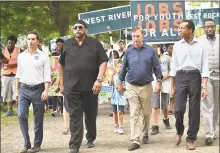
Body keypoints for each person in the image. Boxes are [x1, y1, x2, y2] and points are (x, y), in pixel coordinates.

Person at [59, 20, 108, 153]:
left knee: (90, 116)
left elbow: (103, 62)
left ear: (85, 29)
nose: (77, 29)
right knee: (75, 116)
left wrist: (99, 80)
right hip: (72, 88)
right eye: (75, 27)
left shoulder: (95, 44)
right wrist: (61, 84)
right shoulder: (67, 44)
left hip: (91, 88)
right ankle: (74, 146)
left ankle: (90, 137)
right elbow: (61, 65)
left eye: (80, 27)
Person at [118, 27, 163, 151]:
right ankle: (135, 139)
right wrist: (120, 82)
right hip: (131, 86)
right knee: (134, 113)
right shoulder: (128, 51)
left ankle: (145, 133)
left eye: (138, 36)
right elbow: (123, 68)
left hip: (146, 86)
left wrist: (159, 81)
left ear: (143, 36)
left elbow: (157, 67)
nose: (135, 39)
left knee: (145, 113)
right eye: (133, 36)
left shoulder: (150, 51)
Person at [170, 20, 209, 150]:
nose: (179, 30)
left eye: (182, 28)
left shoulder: (201, 45)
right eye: (179, 28)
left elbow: (205, 66)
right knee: (178, 109)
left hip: (195, 77)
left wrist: (204, 87)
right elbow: (173, 67)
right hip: (180, 76)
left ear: (190, 30)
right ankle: (179, 131)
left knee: (194, 109)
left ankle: (191, 138)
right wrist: (172, 86)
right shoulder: (177, 46)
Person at [16, 31, 51, 153]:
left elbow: (47, 75)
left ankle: (37, 144)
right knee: (21, 115)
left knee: (38, 118)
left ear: (37, 41)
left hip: (38, 90)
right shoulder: (21, 56)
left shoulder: (43, 56)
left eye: (33, 39)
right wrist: (17, 91)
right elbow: (18, 74)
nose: (30, 41)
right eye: (28, 39)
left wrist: (46, 91)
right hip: (24, 90)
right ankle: (26, 143)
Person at [199, 18, 219, 145]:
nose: (209, 29)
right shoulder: (199, 41)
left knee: (216, 106)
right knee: (207, 106)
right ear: (204, 28)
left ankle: (213, 130)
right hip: (206, 77)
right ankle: (209, 134)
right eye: (207, 27)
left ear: (215, 26)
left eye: (211, 26)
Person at [151, 45, 171, 135]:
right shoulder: (150, 57)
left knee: (164, 105)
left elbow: (171, 71)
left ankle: (166, 119)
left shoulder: (167, 58)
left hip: (165, 83)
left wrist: (162, 78)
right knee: (154, 105)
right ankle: (155, 125)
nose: (154, 48)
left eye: (156, 47)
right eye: (153, 47)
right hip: (154, 84)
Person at [1, 35, 21, 116]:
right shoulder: (2, 51)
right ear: (7, 43)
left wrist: (13, 65)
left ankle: (19, 110)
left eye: (12, 43)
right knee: (7, 92)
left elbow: (22, 61)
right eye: (9, 43)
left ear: (15, 43)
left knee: (17, 93)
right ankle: (9, 110)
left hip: (16, 75)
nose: (10, 45)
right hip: (6, 75)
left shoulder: (19, 50)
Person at [48, 38, 64, 117]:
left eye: (60, 45)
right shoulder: (53, 54)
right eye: (58, 45)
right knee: (54, 93)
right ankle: (54, 110)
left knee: (62, 93)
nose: (59, 46)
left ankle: (62, 110)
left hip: (62, 75)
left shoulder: (65, 53)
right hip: (54, 76)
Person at [109, 60, 126, 134]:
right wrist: (112, 76)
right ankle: (116, 125)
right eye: (117, 66)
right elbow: (110, 84)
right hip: (114, 97)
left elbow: (126, 86)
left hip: (121, 97)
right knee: (115, 112)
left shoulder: (124, 76)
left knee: (121, 112)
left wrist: (120, 87)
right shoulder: (114, 76)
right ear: (115, 68)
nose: (119, 68)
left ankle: (121, 126)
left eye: (120, 67)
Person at [165, 43, 175, 114]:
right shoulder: (164, 57)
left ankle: (171, 107)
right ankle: (166, 107)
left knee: (173, 93)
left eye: (172, 48)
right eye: (170, 48)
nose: (171, 49)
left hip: (174, 77)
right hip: (166, 77)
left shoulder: (175, 56)